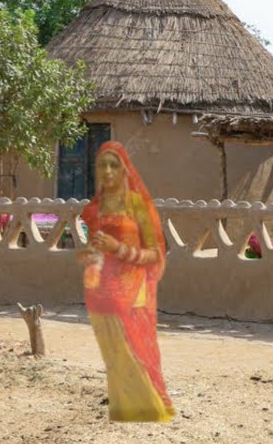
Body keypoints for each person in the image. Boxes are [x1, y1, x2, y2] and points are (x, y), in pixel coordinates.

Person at [77, 141, 174, 423]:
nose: (107, 171)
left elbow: (155, 252)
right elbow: (94, 250)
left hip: (133, 292)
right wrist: (90, 257)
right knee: (114, 358)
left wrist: (119, 249)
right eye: (101, 165)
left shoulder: (137, 205)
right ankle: (122, 407)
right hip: (102, 291)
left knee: (137, 350)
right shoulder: (94, 210)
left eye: (113, 165)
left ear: (124, 170)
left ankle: (148, 408)